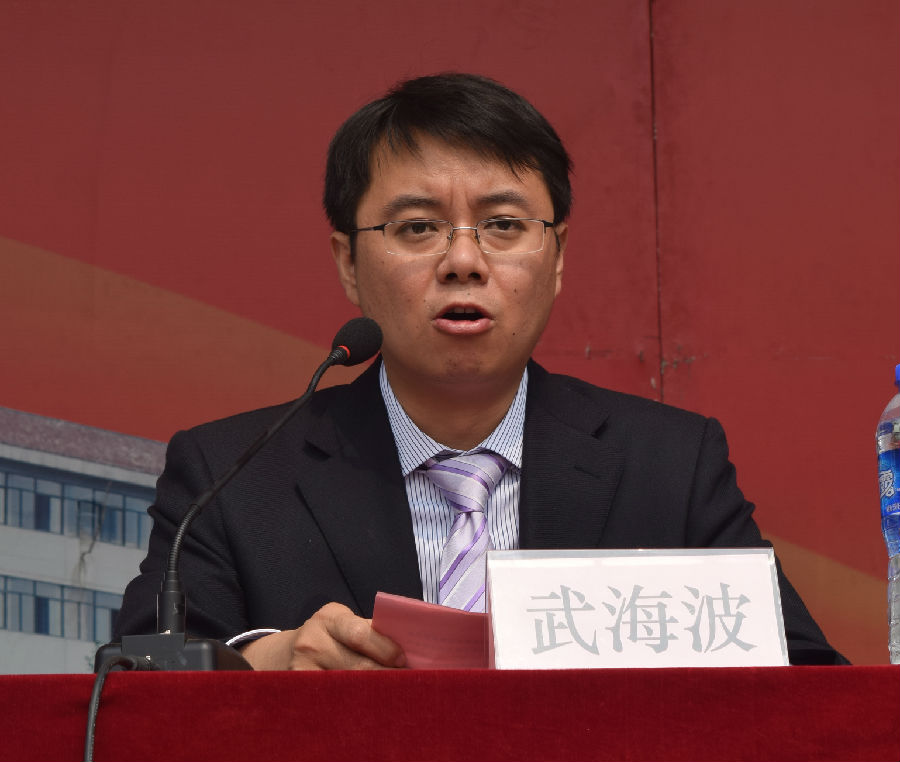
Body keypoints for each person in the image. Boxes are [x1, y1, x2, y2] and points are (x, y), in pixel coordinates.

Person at [114, 72, 846, 668]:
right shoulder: (231, 476)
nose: (463, 260)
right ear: (349, 263)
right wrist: (267, 662)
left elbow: (809, 687)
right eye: (417, 227)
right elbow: (132, 687)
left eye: (503, 225)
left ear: (556, 258)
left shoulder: (670, 466)